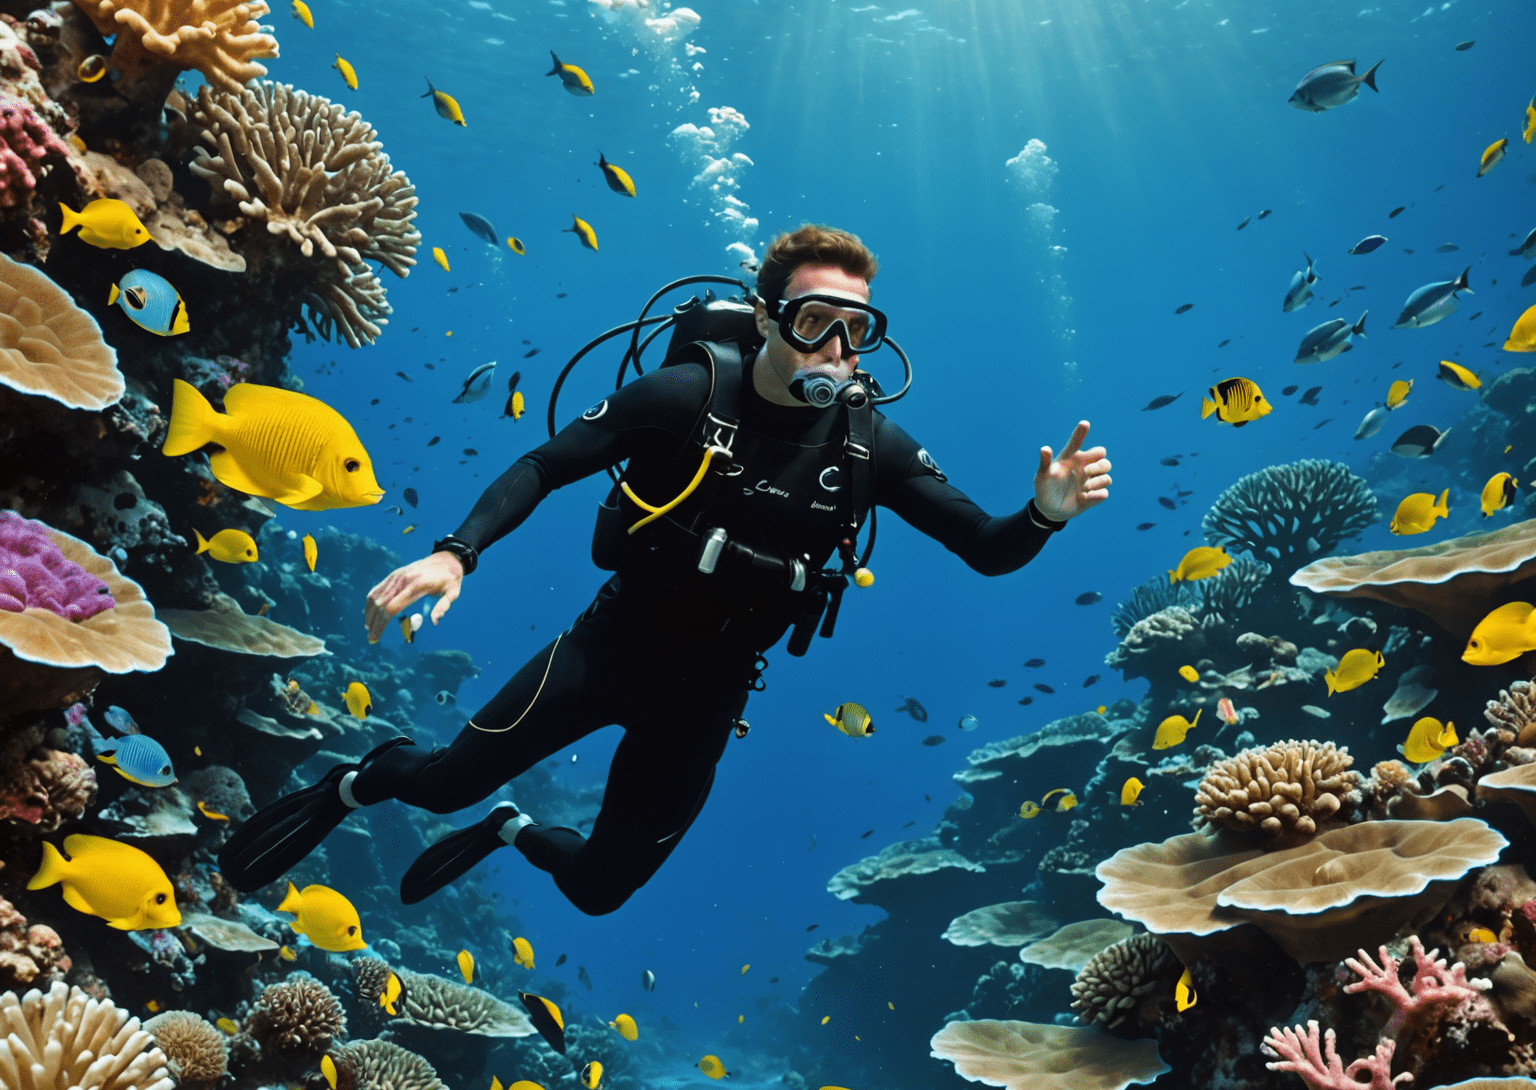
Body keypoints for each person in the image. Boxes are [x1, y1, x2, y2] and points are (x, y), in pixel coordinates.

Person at [220, 225, 1112, 914]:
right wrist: (457, 552)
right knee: (444, 781)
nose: (836, 351)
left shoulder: (868, 443)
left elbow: (988, 549)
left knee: (601, 889)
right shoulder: (685, 394)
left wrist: (1046, 513)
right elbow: (546, 464)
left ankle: (512, 830)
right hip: (609, 649)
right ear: (768, 319)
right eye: (813, 323)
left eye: (856, 331)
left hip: (711, 693)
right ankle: (358, 779)